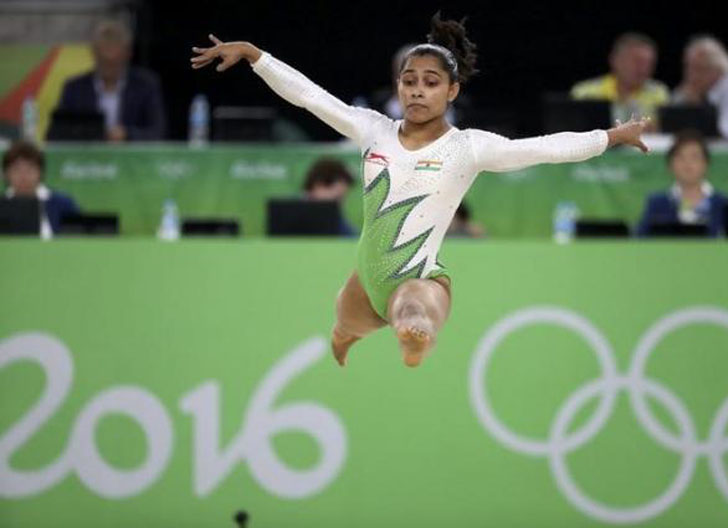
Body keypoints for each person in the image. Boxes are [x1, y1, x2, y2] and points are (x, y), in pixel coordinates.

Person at [191, 13, 649, 368]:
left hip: (421, 276)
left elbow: (545, 148)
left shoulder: (467, 148)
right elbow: (312, 97)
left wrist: (610, 136)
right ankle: (347, 336)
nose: (417, 92)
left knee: (412, 308)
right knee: (346, 325)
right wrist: (255, 55)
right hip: (363, 280)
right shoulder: (374, 130)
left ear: (452, 91)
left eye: (430, 84)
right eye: (409, 82)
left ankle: (413, 338)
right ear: (398, 86)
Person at [52, 19, 166, 142]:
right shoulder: (74, 88)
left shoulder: (145, 85)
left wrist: (127, 135)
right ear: (94, 54)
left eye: (115, 62)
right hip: (87, 158)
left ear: (128, 54)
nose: (109, 68)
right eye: (104, 62)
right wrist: (93, 135)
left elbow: (158, 132)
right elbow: (55, 135)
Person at [636, 130, 728, 237]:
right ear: (670, 165)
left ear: (706, 164)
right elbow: (640, 239)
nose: (687, 163)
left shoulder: (724, 204)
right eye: (681, 157)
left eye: (694, 157)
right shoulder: (657, 204)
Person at [673, 36, 728, 148]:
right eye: (687, 67)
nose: (690, 75)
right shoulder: (686, 91)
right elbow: (671, 131)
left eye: (698, 68)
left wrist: (699, 107)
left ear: (717, 69)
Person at [571, 32, 669, 131]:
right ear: (615, 60)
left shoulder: (659, 93)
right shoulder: (585, 93)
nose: (644, 69)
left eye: (649, 63)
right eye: (637, 61)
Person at [2, 140, 80, 237]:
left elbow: (79, 237)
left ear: (41, 172)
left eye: (30, 169)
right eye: (16, 169)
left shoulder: (63, 204)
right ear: (5, 174)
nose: (23, 176)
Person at [303, 158, 357, 236]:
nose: (340, 204)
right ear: (318, 185)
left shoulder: (341, 225)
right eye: (337, 198)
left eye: (342, 198)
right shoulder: (286, 216)